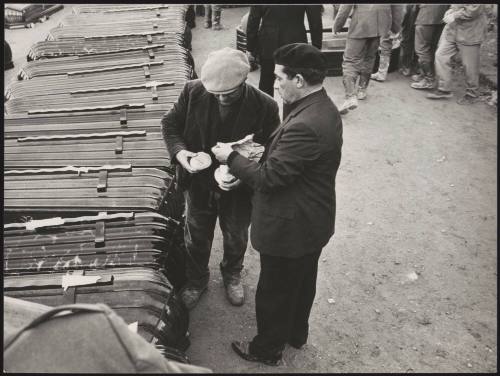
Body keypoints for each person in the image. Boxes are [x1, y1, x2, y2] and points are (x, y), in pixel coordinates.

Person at [212, 43, 343, 366]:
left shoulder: (304, 125)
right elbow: (290, 161)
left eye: (279, 79)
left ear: (299, 80)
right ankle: (296, 334)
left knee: (274, 291)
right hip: (312, 220)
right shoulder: (320, 108)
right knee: (301, 283)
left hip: (291, 226)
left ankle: (266, 349)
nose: (275, 85)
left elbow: (269, 179)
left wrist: (231, 157)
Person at [161, 48, 280, 310]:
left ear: (245, 80)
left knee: (236, 235)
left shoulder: (265, 105)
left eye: (230, 92)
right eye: (217, 93)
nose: (223, 97)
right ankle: (196, 280)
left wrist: (244, 174)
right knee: (196, 235)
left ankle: (232, 275)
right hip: (199, 183)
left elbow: (270, 148)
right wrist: (181, 154)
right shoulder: (192, 91)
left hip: (238, 188)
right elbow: (169, 124)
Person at [333, 4, 404, 115]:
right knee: (369, 58)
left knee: (350, 61)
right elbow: (398, 8)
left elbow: (345, 7)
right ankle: (362, 90)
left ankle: (350, 96)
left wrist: (338, 25)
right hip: (380, 25)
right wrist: (395, 27)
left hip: (360, 23)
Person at [246, 5, 323, 98]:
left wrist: (250, 47)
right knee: (293, 81)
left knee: (266, 80)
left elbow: (253, 19)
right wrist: (316, 47)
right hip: (295, 41)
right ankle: (294, 111)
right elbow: (315, 20)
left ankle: (266, 111)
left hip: (268, 41)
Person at [426, 4, 488, 104]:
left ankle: (472, 94)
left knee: (470, 65)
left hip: (470, 32)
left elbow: (473, 10)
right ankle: (444, 89)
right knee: (441, 55)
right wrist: (450, 10)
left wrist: (455, 15)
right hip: (453, 30)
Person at [410, 4, 450, 90]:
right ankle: (426, 75)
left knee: (421, 49)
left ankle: (429, 79)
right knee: (431, 47)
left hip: (426, 15)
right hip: (441, 16)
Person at [399, 4, 420, 78]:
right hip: (419, 19)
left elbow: (404, 14)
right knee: (418, 44)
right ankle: (416, 67)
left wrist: (401, 25)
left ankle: (407, 67)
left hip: (410, 19)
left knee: (407, 43)